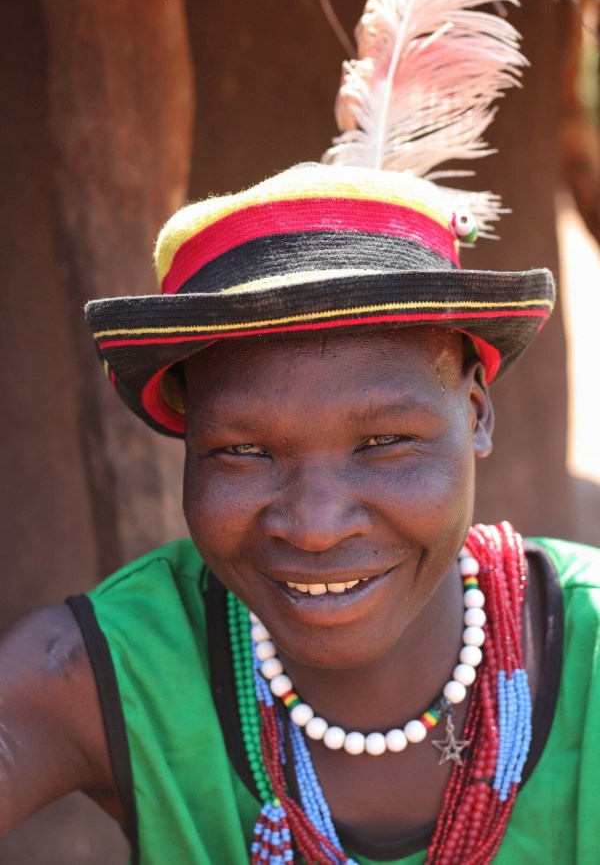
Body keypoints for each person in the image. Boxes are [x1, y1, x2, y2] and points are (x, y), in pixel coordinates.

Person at [1, 161, 599, 865]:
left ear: (475, 414)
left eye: (385, 443)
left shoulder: (588, 651)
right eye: (243, 451)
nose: (315, 526)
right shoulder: (109, 673)